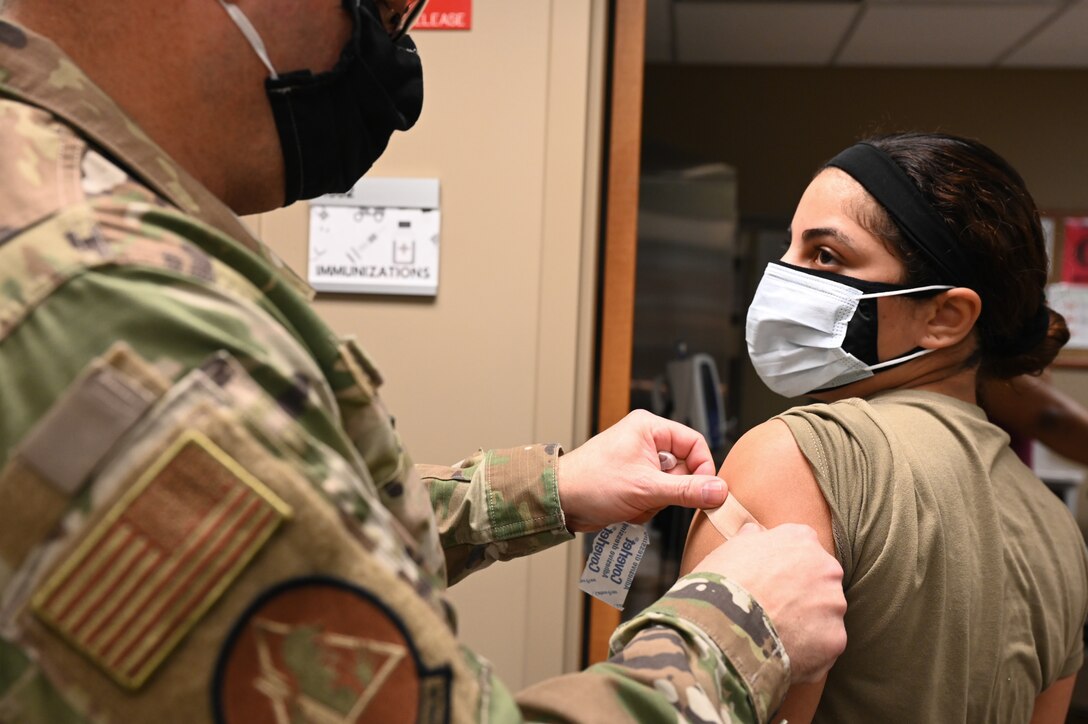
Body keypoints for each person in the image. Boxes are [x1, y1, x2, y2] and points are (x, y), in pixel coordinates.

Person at [0, 1, 847, 722]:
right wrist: (739, 630)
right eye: (379, 8)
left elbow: (297, 530)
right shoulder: (102, 293)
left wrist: (545, 491)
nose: (392, 63)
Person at [681, 132, 1088, 722]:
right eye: (789, 248)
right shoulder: (1056, 528)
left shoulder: (799, 458)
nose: (782, 278)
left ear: (945, 317)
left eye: (825, 256)